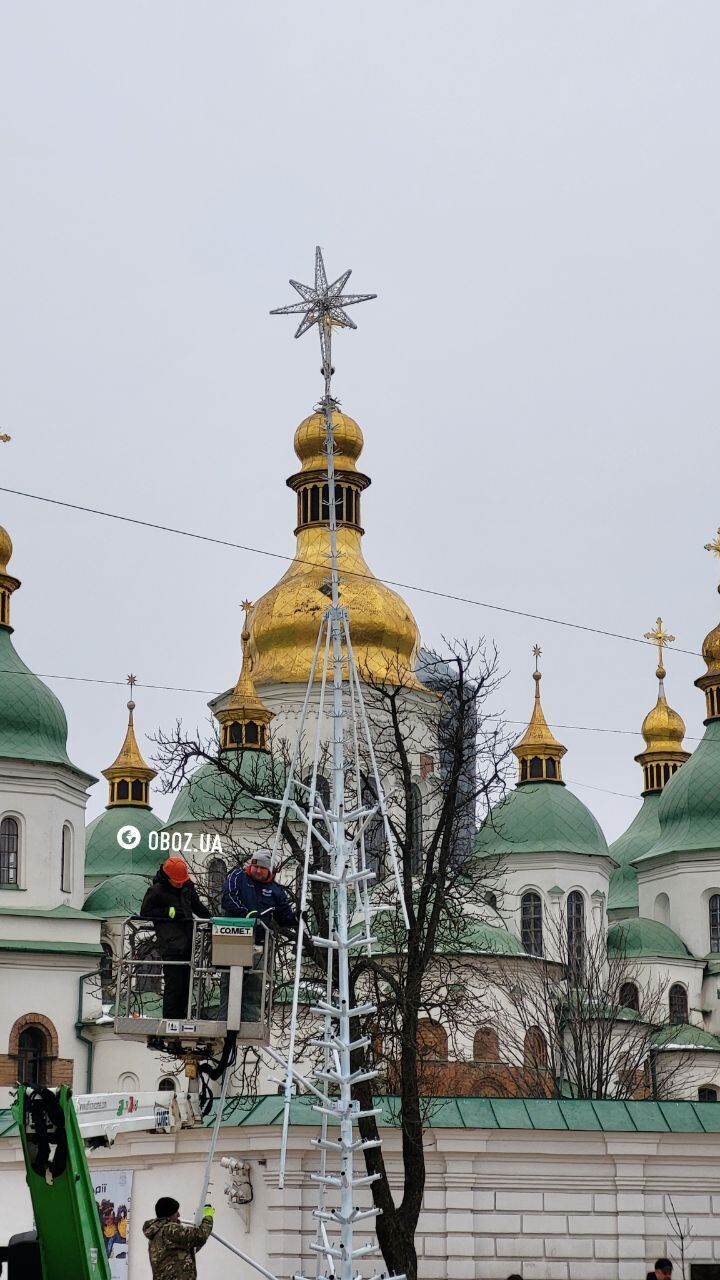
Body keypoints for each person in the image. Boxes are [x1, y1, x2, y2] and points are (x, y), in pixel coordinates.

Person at [220, 852, 298, 1022]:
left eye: (261, 868)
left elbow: (283, 916)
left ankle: (250, 1019)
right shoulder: (237, 876)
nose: (257, 870)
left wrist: (296, 917)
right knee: (230, 980)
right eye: (254, 866)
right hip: (233, 939)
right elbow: (228, 898)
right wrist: (246, 915)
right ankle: (225, 1018)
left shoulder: (275, 890)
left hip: (258, 942)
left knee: (255, 981)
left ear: (267, 869)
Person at [141, 858, 210, 1019]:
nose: (179, 884)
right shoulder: (156, 891)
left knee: (186, 985)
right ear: (167, 877)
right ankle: (171, 1020)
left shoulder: (187, 886)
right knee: (174, 985)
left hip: (187, 941)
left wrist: (211, 920)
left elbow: (196, 905)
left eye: (181, 881)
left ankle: (182, 1016)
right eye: (176, 881)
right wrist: (168, 912)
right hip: (170, 944)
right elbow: (145, 912)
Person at [143, 1197, 214, 1280]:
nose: (179, 1215)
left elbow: (186, 1249)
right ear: (169, 1215)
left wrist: (197, 1241)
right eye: (176, 1212)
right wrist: (208, 1216)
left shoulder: (157, 1233)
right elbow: (200, 1236)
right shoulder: (170, 1230)